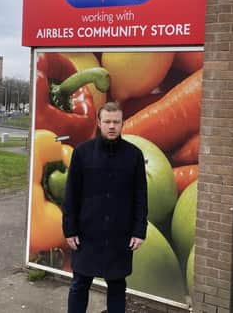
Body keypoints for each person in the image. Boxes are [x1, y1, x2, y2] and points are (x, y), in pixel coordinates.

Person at [62, 101, 148, 313]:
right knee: (80, 284)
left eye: (116, 122)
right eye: (107, 122)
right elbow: (71, 194)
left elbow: (141, 197)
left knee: (117, 286)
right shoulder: (82, 153)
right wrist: (69, 229)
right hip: (86, 232)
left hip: (120, 234)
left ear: (122, 124)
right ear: (98, 123)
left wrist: (139, 231)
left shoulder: (134, 155)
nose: (112, 126)